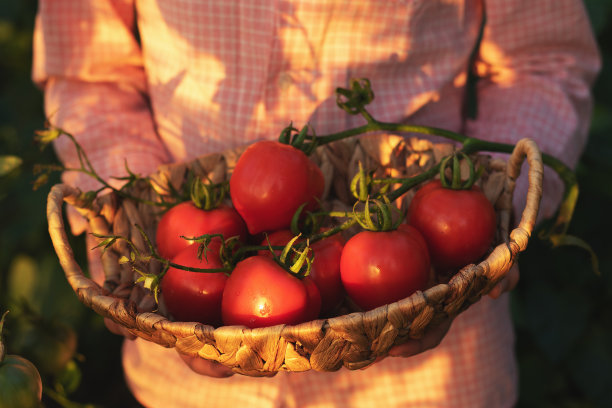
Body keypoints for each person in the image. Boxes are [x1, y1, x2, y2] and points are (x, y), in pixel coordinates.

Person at [33, 1, 600, 407]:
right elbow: (91, 72)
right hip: (188, 381)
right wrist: (130, 216)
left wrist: (497, 212)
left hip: (437, 362)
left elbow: (543, 61)